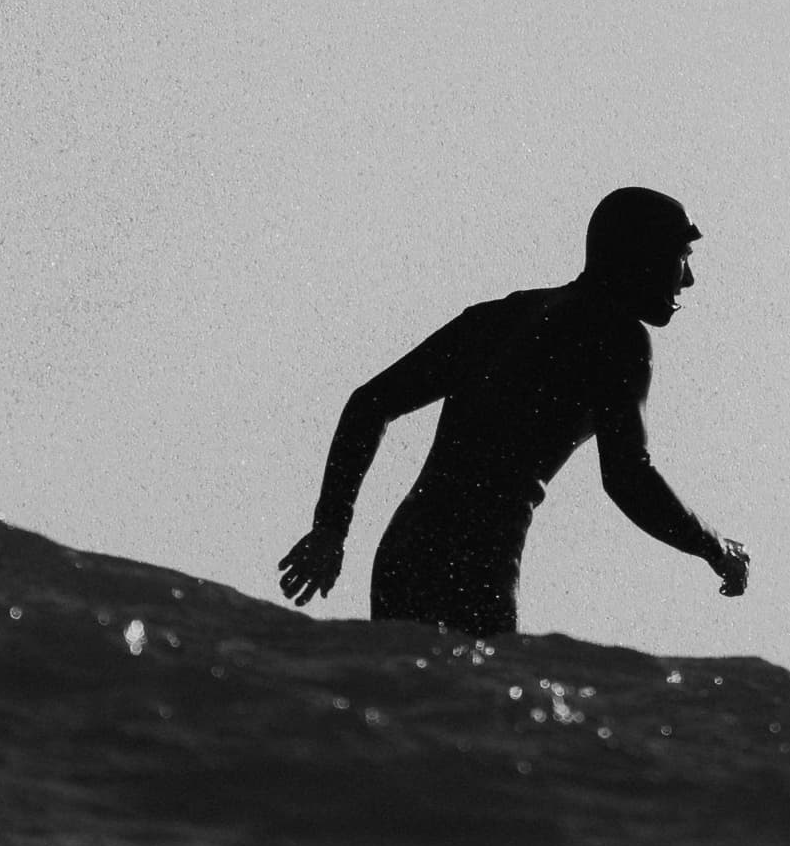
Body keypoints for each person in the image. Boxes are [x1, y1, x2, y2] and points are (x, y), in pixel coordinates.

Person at [277, 187, 749, 637]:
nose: (688, 278)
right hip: (477, 560)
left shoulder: (500, 315)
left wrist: (329, 531)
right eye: (682, 256)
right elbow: (628, 477)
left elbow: (370, 403)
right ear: (640, 255)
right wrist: (713, 547)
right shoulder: (618, 338)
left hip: (405, 552)